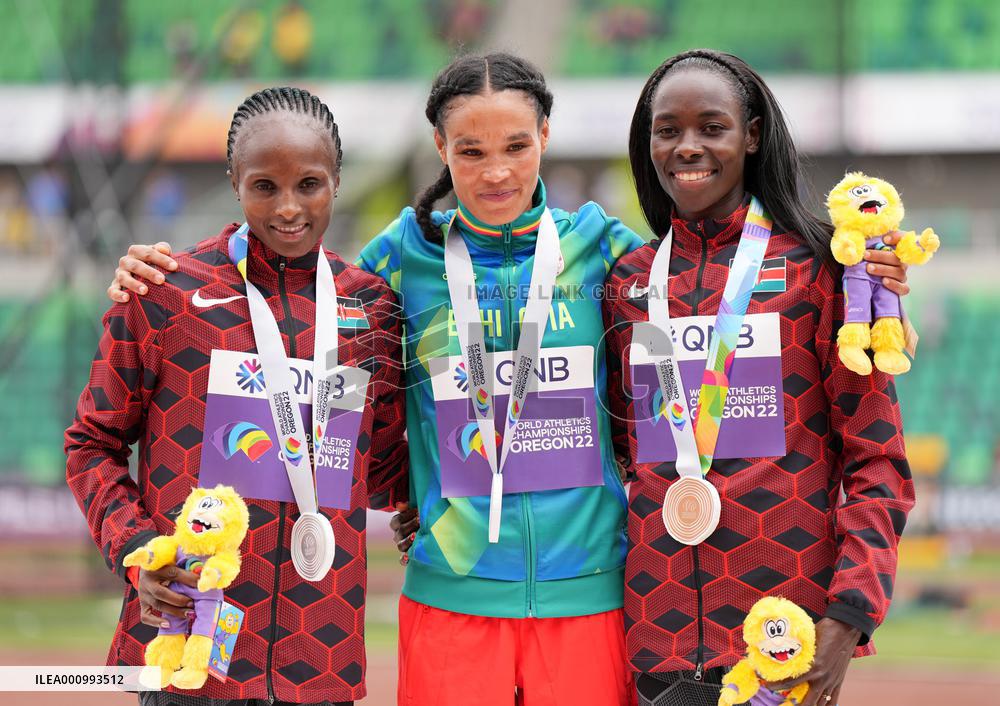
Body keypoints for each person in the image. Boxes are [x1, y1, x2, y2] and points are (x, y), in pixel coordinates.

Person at [107, 52, 643, 706]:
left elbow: (703, 299)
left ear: (547, 138)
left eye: (517, 146)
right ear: (441, 147)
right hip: (452, 592)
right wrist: (152, 273)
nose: (496, 170)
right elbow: (305, 305)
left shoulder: (604, 246)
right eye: (471, 150)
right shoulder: (399, 259)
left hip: (588, 588)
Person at [67, 87, 408, 706]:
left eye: (309, 184)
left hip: (318, 664)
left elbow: (380, 467)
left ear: (336, 180)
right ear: (233, 181)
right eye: (263, 186)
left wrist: (442, 497)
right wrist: (142, 553)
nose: (287, 208)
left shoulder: (372, 310)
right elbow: (91, 445)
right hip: (188, 656)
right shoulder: (164, 294)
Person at [602, 49, 914, 706]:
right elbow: (620, 449)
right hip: (656, 638)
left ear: (751, 136)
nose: (687, 147)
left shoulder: (820, 271)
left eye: (710, 127)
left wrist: (848, 618)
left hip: (782, 643)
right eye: (668, 130)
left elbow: (877, 460)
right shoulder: (629, 283)